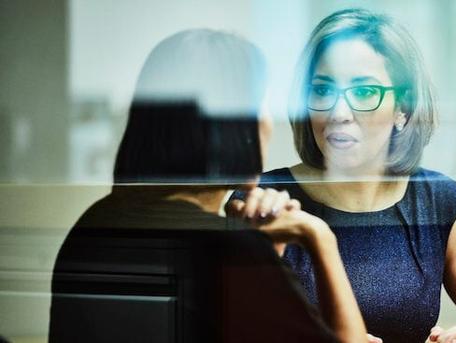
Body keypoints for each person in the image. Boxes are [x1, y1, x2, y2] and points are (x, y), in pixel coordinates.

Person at [50, 29, 366, 343]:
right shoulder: (225, 249)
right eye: (262, 106)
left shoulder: (96, 224)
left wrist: (266, 253)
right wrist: (319, 237)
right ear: (236, 125)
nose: (268, 122)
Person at [259, 8, 456, 343]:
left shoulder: (441, 204)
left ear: (402, 108)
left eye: (363, 93)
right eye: (322, 90)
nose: (338, 113)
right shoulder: (264, 202)